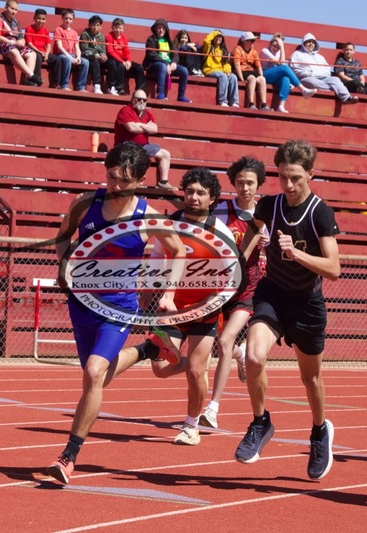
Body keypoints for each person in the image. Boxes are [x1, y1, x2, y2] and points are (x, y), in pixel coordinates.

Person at [44, 141, 185, 485]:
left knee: (94, 372)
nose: (115, 186)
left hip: (119, 307)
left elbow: (178, 251)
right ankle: (148, 349)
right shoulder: (85, 204)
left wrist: (168, 294)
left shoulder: (149, 218)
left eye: (123, 180)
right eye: (110, 177)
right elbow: (62, 237)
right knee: (99, 377)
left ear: (139, 180)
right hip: (81, 306)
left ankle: (69, 457)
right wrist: (65, 265)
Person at [235, 139, 340, 482]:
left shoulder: (320, 212)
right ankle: (260, 422)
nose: (289, 185)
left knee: (310, 379)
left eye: (296, 177)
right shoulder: (269, 205)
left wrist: (296, 255)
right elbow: (251, 234)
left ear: (310, 174)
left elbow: (334, 268)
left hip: (307, 304)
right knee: (253, 356)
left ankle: (319, 431)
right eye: (283, 177)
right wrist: (237, 260)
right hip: (273, 295)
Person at [136, 167, 235, 446]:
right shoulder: (172, 223)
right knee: (159, 368)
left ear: (212, 198)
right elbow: (157, 255)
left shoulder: (220, 231)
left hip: (205, 308)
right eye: (189, 191)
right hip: (172, 306)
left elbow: (231, 276)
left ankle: (191, 426)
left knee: (195, 371)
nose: (194, 197)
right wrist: (147, 290)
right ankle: (195, 363)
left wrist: (214, 301)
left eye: (201, 193)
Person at [200, 157, 269, 429]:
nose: (245, 188)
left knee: (224, 340)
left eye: (250, 183)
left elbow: (277, 251)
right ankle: (240, 354)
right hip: (220, 287)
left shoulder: (267, 216)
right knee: (219, 342)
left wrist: (267, 244)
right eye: (240, 182)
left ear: (258, 184)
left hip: (248, 289)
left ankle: (213, 408)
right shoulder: (220, 211)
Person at [113, 90, 175, 190]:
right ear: (133, 99)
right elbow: (132, 128)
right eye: (139, 99)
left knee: (165, 154)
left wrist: (140, 125)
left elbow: (155, 129)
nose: (142, 102)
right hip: (126, 146)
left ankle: (163, 182)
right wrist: (146, 126)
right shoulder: (125, 110)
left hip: (143, 146)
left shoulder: (147, 114)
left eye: (144, 100)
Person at [290, 33, 358, 105]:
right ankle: (333, 90)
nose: (311, 44)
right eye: (308, 42)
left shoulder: (320, 57)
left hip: (324, 78)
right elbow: (294, 69)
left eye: (313, 42)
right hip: (306, 78)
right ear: (304, 43)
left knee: (335, 79)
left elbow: (327, 70)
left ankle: (347, 98)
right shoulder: (297, 54)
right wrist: (311, 73)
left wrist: (314, 72)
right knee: (313, 82)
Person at [0, 0, 41, 86]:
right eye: (12, 9)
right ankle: (31, 75)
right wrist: (13, 42)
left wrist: (21, 42)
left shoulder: (16, 22)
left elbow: (22, 38)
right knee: (13, 50)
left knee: (32, 53)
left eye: (16, 10)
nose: (14, 11)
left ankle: (27, 79)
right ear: (5, 8)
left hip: (13, 44)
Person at [259, 33, 315, 113]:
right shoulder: (265, 51)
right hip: (264, 75)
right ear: (270, 43)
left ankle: (281, 106)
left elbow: (282, 65)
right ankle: (303, 90)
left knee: (286, 79)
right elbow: (281, 64)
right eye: (274, 45)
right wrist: (281, 46)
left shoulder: (279, 53)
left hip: (274, 76)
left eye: (278, 47)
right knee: (284, 68)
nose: (275, 48)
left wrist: (281, 47)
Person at [143, 18, 191, 103]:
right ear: (155, 29)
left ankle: (181, 96)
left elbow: (175, 54)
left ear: (166, 29)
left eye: (163, 28)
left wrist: (174, 63)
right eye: (159, 28)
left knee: (184, 71)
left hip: (169, 65)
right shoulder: (151, 40)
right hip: (155, 65)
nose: (161, 30)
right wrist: (165, 64)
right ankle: (160, 93)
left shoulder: (169, 41)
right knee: (162, 66)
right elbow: (152, 54)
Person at [105, 18, 145, 95]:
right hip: (114, 59)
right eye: (116, 28)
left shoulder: (124, 38)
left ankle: (140, 91)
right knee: (120, 66)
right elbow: (110, 52)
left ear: (123, 29)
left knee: (139, 68)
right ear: (112, 27)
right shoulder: (109, 36)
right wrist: (123, 62)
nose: (117, 30)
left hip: (124, 60)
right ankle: (120, 89)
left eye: (120, 28)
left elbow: (127, 52)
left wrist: (128, 61)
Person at [53, 8, 89, 91]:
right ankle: (64, 85)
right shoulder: (58, 30)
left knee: (86, 62)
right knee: (67, 60)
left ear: (73, 20)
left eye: (70, 19)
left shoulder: (74, 33)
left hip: (71, 54)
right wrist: (71, 58)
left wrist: (78, 57)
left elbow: (77, 47)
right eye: (66, 18)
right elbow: (59, 47)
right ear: (62, 18)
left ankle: (81, 86)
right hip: (60, 54)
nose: (68, 20)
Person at [232, 32, 268, 110]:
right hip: (241, 70)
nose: (253, 42)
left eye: (253, 41)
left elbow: (259, 66)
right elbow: (237, 65)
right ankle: (251, 103)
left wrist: (261, 76)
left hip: (250, 70)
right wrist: (241, 79)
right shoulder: (238, 49)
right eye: (251, 40)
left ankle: (264, 104)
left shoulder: (253, 51)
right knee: (252, 78)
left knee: (262, 79)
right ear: (244, 41)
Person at [202, 29, 238, 107]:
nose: (219, 38)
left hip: (220, 71)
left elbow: (226, 63)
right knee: (223, 76)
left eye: (221, 37)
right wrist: (216, 32)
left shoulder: (223, 50)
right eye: (217, 36)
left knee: (233, 77)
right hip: (209, 70)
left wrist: (227, 70)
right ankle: (222, 101)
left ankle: (234, 102)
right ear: (214, 37)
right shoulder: (208, 48)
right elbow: (206, 41)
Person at [25, 9, 59, 88]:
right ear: (34, 18)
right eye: (39, 18)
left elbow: (48, 45)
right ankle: (37, 80)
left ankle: (56, 83)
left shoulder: (45, 31)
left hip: (44, 52)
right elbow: (29, 44)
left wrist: (47, 54)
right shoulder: (29, 28)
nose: (41, 21)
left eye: (43, 19)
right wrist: (40, 52)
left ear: (46, 20)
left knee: (57, 60)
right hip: (34, 51)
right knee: (38, 56)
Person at [80, 15, 108, 94]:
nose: (95, 27)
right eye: (93, 25)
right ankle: (96, 86)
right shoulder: (85, 34)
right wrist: (96, 54)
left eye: (97, 25)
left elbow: (103, 49)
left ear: (100, 27)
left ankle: (113, 88)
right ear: (89, 25)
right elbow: (84, 48)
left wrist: (103, 56)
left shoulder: (101, 36)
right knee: (95, 60)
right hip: (86, 55)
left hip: (97, 57)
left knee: (112, 63)